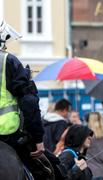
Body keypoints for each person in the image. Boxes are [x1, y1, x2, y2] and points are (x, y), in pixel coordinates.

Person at [0, 18, 49, 177]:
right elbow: (28, 103)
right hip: (7, 134)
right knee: (47, 169)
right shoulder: (8, 61)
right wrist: (38, 139)